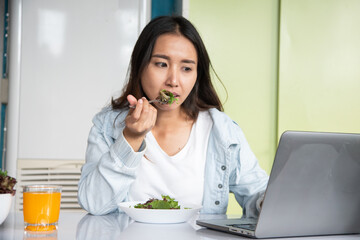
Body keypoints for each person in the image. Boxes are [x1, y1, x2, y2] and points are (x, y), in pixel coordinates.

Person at [78, 15, 268, 217]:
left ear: (197, 76)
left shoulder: (222, 130)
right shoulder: (108, 125)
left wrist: (266, 201)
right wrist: (130, 139)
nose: (174, 81)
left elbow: (256, 193)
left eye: (186, 68)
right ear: (140, 65)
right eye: (161, 64)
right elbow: (94, 204)